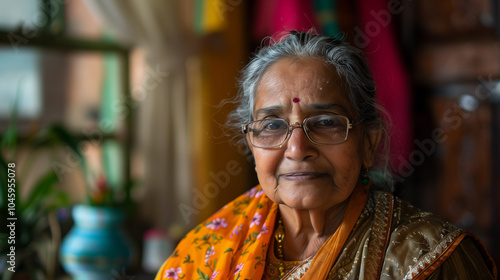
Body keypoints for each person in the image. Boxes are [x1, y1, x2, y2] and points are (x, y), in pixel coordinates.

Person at [155, 31, 497, 280]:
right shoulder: (208, 249)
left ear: (368, 143)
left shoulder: (432, 262)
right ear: (251, 145)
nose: (297, 149)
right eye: (272, 125)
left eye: (326, 123)